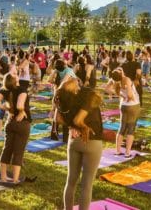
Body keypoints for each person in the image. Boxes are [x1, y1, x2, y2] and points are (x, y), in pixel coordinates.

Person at [54, 77, 103, 210]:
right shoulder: (88, 94)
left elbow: (57, 118)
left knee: (71, 181)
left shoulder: (64, 98)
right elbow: (78, 119)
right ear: (75, 88)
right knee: (86, 184)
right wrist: (82, 127)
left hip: (74, 141)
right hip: (91, 140)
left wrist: (71, 126)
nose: (74, 78)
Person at [0, 73, 31, 183]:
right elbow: (20, 105)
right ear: (15, 80)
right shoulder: (22, 89)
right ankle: (15, 180)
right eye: (15, 74)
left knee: (6, 149)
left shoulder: (5, 89)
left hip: (10, 122)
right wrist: (22, 111)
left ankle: (3, 178)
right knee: (18, 152)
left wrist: (4, 108)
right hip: (22, 123)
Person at [105, 68, 140, 158]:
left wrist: (120, 95)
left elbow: (106, 88)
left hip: (123, 106)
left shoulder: (114, 80)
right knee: (131, 129)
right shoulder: (126, 79)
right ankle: (127, 152)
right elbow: (129, 94)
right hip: (133, 105)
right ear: (121, 73)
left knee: (122, 128)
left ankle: (118, 151)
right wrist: (128, 97)